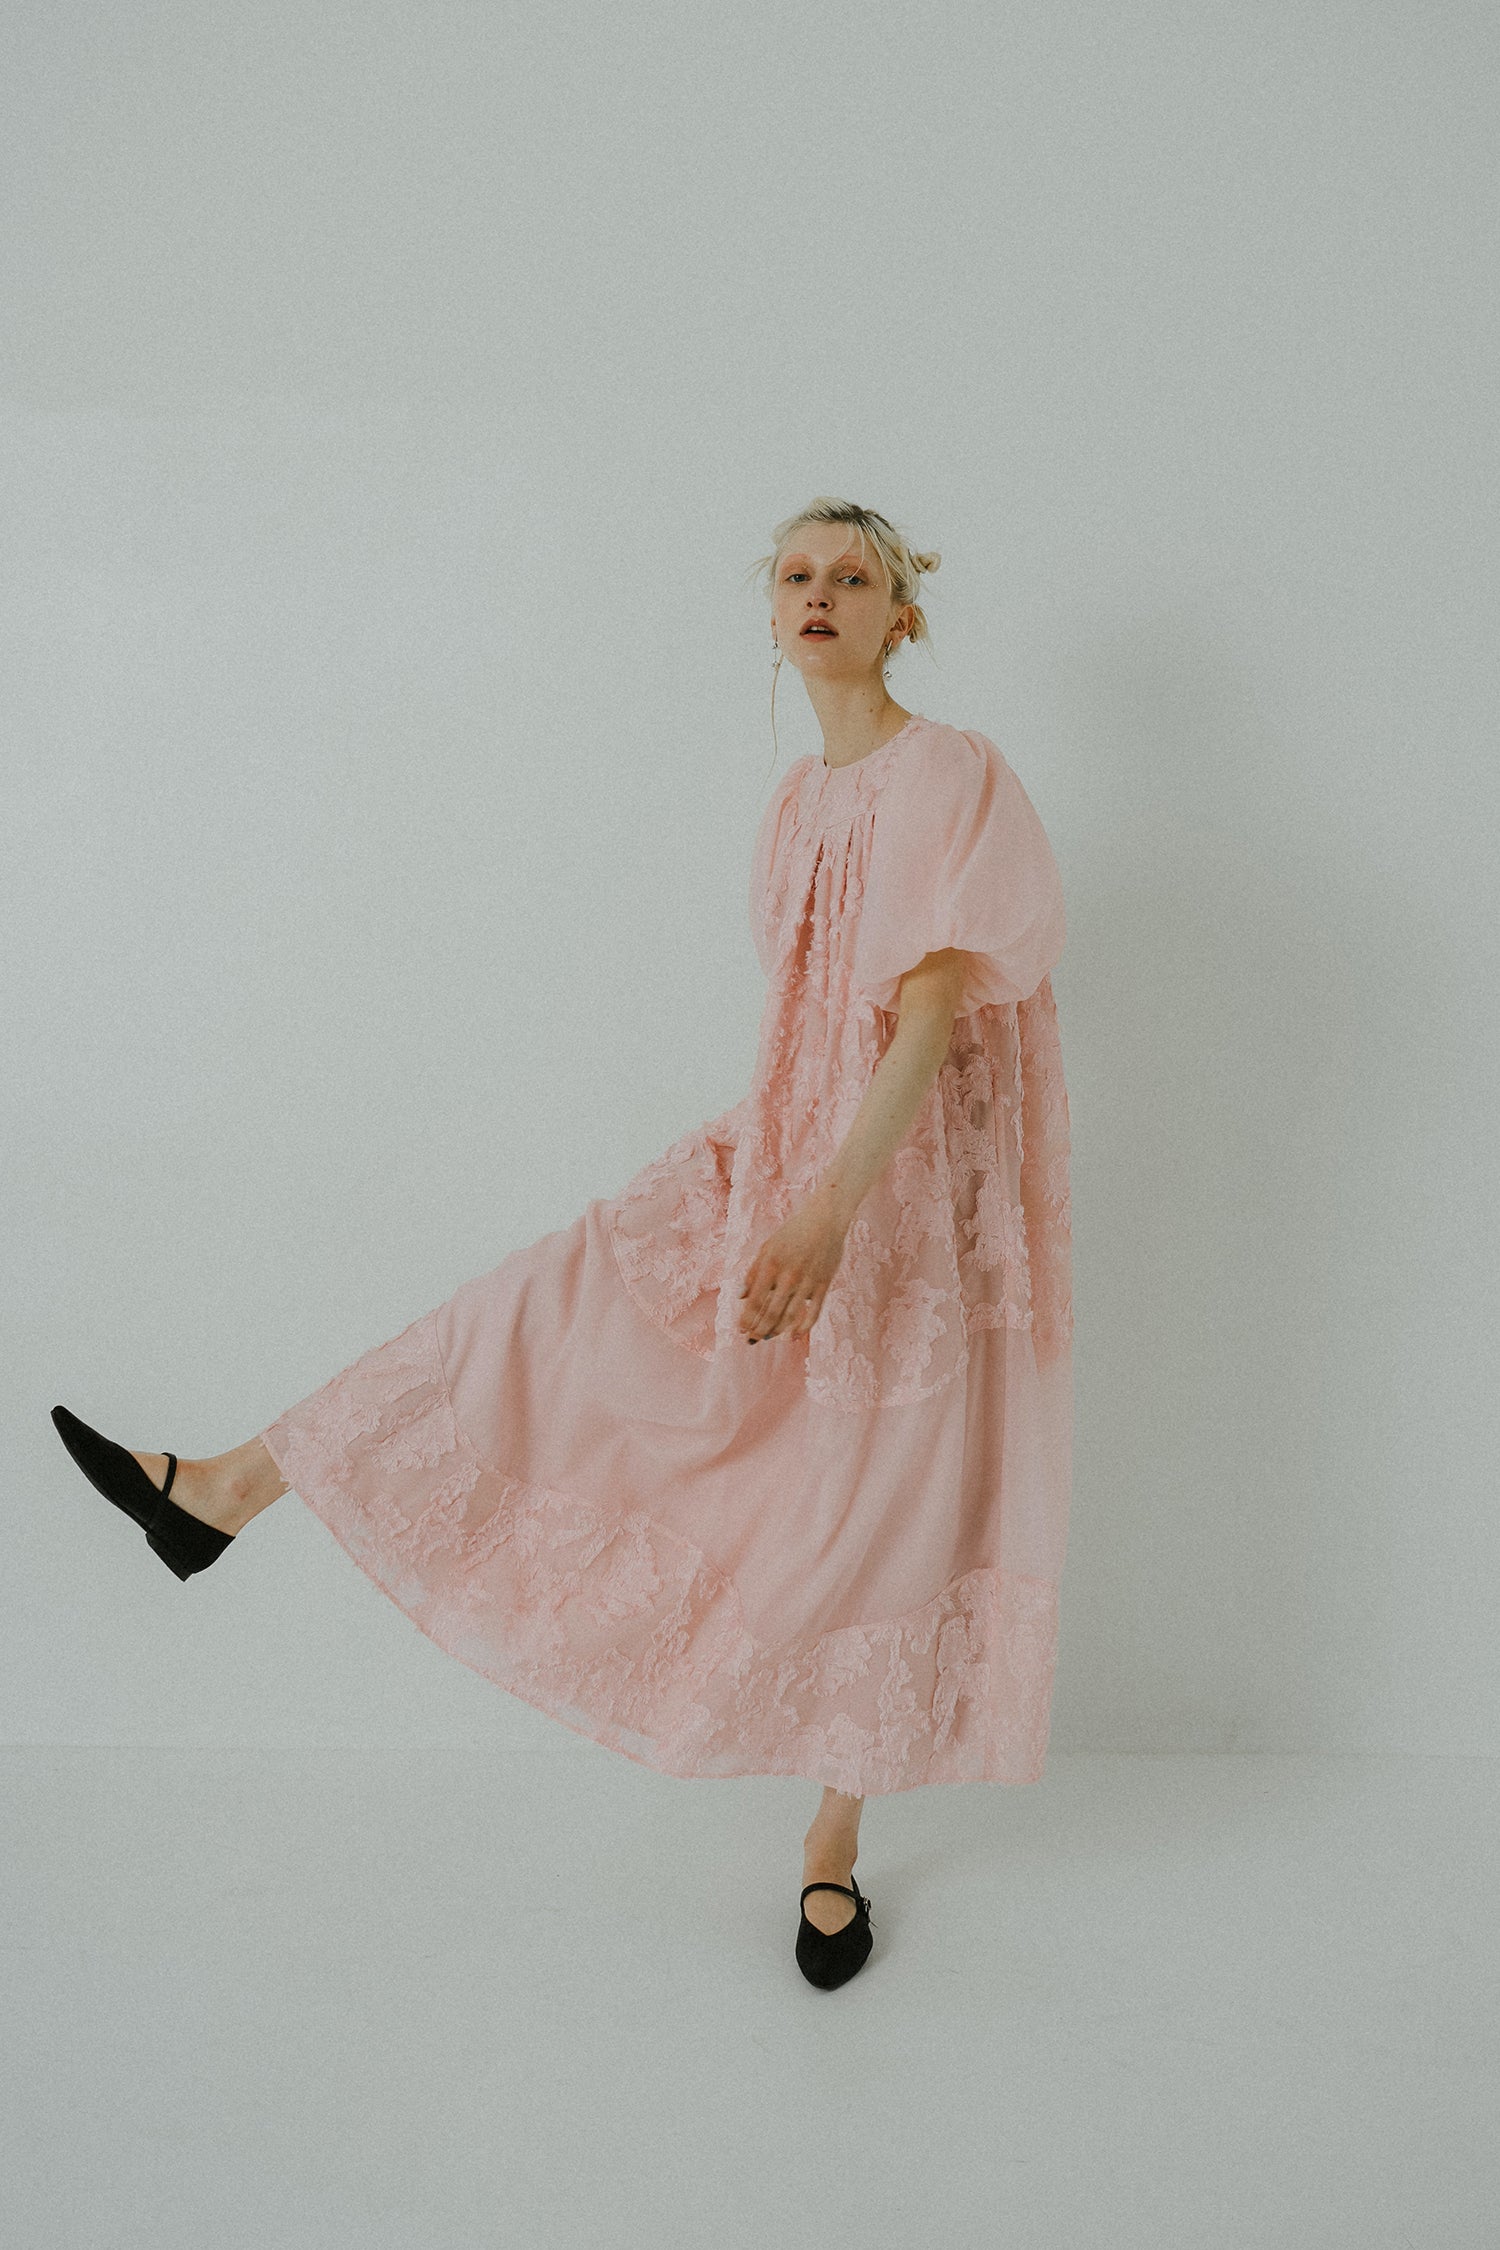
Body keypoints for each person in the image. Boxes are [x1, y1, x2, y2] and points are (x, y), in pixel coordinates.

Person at [52, 496, 1073, 1993]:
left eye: (854, 577)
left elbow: (927, 1014)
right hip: (782, 1148)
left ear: (900, 616)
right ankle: (223, 1487)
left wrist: (833, 1209)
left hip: (894, 1194)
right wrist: (782, 1181)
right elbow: (805, 1019)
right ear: (770, 610)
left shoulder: (948, 772)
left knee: (868, 1504)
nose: (820, 593)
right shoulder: (797, 800)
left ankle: (831, 1845)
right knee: (549, 1303)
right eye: (796, 573)